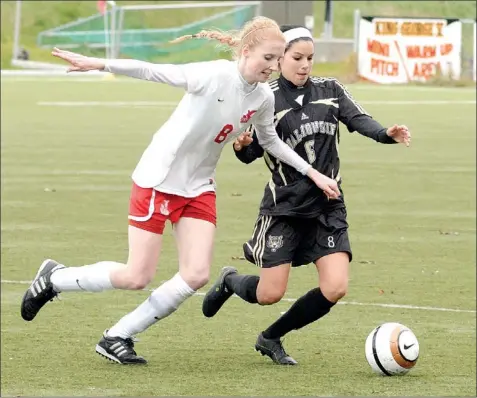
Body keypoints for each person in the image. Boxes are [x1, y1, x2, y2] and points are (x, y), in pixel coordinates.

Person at [19, 17, 342, 366]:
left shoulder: (263, 96)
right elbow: (153, 71)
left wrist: (313, 174)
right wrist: (100, 63)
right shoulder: (213, 75)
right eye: (267, 57)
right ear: (247, 51)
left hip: (199, 186)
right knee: (136, 276)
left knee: (196, 274)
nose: (272, 66)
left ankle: (118, 335)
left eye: (277, 59)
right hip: (159, 179)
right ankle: (55, 278)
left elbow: (271, 141)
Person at [202, 25, 411, 365]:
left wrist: (386, 133)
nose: (305, 65)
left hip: (327, 206)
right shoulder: (264, 96)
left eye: (310, 58)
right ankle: (229, 281)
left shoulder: (330, 90)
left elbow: (358, 120)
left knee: (335, 287)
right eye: (297, 58)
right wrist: (242, 146)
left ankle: (271, 337)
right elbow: (251, 152)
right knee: (270, 293)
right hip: (285, 208)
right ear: (280, 57)